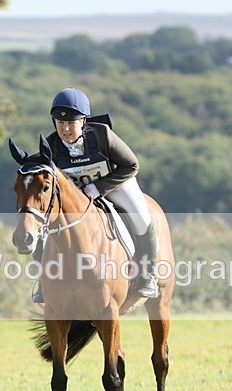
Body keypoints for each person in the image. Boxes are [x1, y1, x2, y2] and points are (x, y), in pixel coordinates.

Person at [31, 87, 159, 303]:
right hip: (77, 197)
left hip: (115, 183)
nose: (65, 128)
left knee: (141, 217)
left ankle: (148, 276)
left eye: (71, 122)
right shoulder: (51, 146)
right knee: (42, 230)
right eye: (60, 123)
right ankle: (44, 282)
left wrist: (100, 187)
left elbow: (131, 165)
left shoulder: (102, 136)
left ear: (83, 121)